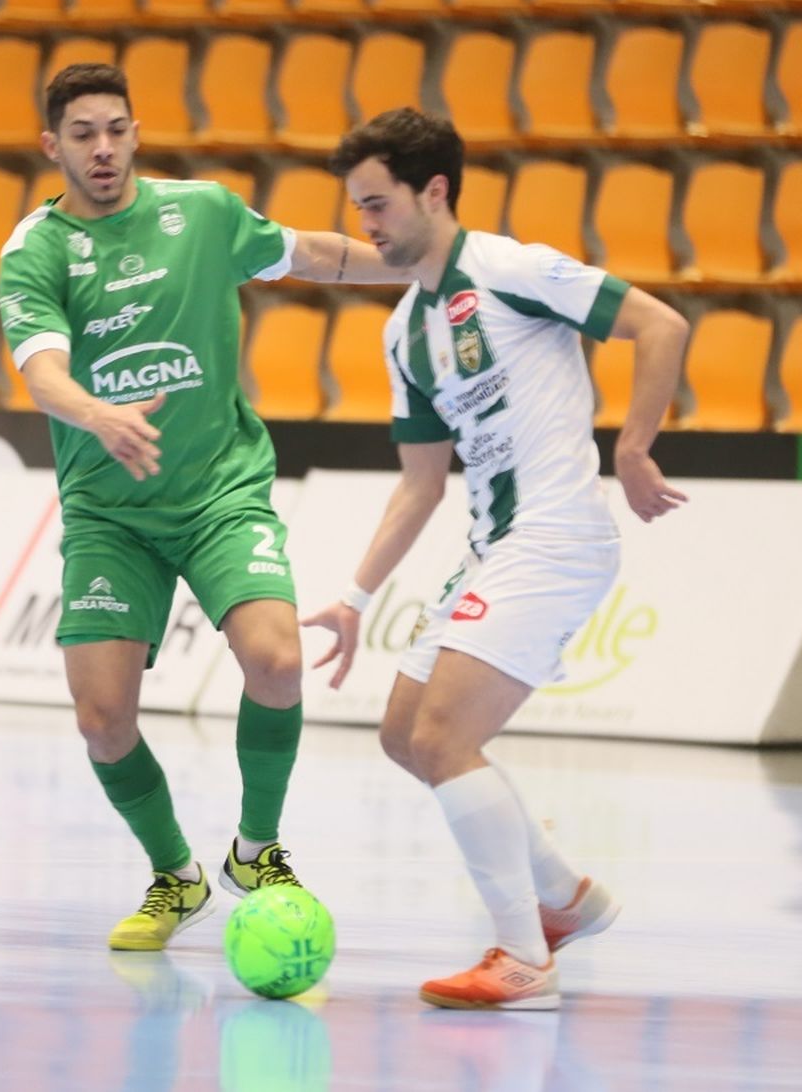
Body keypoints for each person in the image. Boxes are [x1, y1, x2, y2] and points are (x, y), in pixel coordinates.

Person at [0, 63, 406, 952]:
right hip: (110, 511)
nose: (103, 149)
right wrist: (98, 414)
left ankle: (256, 853)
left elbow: (317, 256)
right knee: (102, 718)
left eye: (116, 130)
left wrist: (427, 263)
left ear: (136, 133)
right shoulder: (36, 248)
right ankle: (175, 877)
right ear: (52, 146)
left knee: (278, 660)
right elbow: (41, 370)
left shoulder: (205, 213)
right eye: (82, 135)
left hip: (220, 489)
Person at [304, 109, 690, 1011]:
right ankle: (565, 899)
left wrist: (635, 447)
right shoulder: (403, 332)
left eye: (378, 204)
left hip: (556, 535)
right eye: (358, 208)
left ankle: (524, 958)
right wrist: (355, 597)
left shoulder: (513, 269)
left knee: (445, 737)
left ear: (434, 192)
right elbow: (419, 485)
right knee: (404, 734)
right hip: (493, 545)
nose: (365, 226)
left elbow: (660, 325)